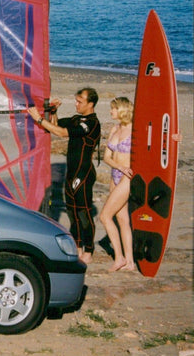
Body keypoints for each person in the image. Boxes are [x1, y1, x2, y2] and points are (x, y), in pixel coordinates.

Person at [28, 88, 101, 263]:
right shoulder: (77, 119)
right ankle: (76, 246)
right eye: (76, 100)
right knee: (71, 211)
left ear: (90, 104)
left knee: (83, 212)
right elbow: (58, 125)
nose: (76, 104)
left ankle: (88, 250)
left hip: (83, 173)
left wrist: (37, 118)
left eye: (80, 101)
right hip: (71, 172)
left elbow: (61, 133)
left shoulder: (92, 123)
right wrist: (54, 111)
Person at [99, 97, 135, 272]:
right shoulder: (115, 128)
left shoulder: (135, 129)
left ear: (121, 110)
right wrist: (119, 166)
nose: (111, 111)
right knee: (122, 219)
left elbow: (156, 141)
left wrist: (175, 138)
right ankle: (130, 261)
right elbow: (106, 157)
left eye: (113, 109)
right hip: (115, 174)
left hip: (127, 178)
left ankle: (119, 257)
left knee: (105, 216)